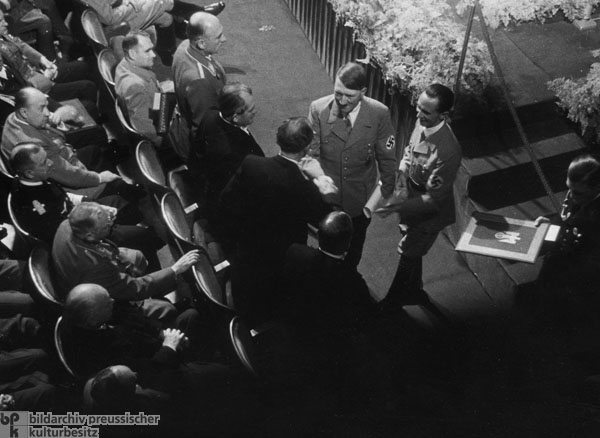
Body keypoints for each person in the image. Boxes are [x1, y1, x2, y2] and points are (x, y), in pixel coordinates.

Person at [219, 117, 335, 324]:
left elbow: (226, 201)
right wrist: (321, 179)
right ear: (307, 148)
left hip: (245, 258)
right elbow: (328, 222)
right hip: (281, 268)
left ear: (278, 139)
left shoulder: (251, 164)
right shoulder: (304, 187)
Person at [378, 83, 462, 308]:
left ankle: (392, 302)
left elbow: (435, 198)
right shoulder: (421, 124)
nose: (419, 114)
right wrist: (399, 190)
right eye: (418, 108)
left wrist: (397, 207)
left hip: (429, 211)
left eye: (426, 112)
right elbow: (408, 155)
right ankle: (415, 290)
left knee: (407, 252)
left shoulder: (448, 150)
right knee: (411, 248)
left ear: (443, 115)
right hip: (411, 195)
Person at [307, 61, 397, 268]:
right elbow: (310, 154)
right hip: (326, 198)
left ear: (363, 92)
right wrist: (321, 179)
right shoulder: (319, 109)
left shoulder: (379, 114)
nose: (342, 100)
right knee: (325, 253)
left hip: (359, 201)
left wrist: (375, 201)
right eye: (338, 93)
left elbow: (387, 161)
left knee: (353, 251)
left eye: (350, 95)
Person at [10, 144, 163, 261]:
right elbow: (65, 234)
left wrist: (93, 205)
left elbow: (65, 197)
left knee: (124, 205)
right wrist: (97, 216)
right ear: (29, 173)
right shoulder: (30, 203)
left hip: (78, 216)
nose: (50, 163)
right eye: (44, 162)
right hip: (81, 236)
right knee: (146, 236)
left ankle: (129, 238)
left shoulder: (39, 179)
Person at [1, 88, 125, 199]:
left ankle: (113, 166)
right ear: (24, 112)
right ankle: (117, 182)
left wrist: (56, 119)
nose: (47, 113)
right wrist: (99, 178)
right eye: (41, 108)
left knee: (94, 146)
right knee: (116, 184)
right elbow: (69, 175)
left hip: (59, 155)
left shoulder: (14, 117)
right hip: (60, 183)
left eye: (46, 106)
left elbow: (45, 129)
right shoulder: (34, 148)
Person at [535, 154, 600, 324]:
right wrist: (552, 223)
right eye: (568, 188)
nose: (570, 196)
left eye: (577, 192)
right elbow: (568, 219)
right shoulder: (580, 196)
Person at [191, 82, 263, 230]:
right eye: (251, 110)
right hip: (231, 210)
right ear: (235, 117)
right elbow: (240, 189)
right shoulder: (230, 153)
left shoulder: (211, 114)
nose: (255, 112)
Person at [0, 10, 97, 106]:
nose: (6, 23)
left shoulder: (3, 36)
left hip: (37, 74)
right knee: (88, 88)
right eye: (1, 21)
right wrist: (46, 76)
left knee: (82, 67)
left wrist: (43, 60)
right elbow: (21, 90)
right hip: (38, 91)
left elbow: (21, 45)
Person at [172, 11, 226, 159]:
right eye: (219, 37)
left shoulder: (184, 46)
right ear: (201, 43)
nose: (224, 39)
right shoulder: (200, 82)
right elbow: (203, 130)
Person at [115, 30, 175, 147]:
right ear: (132, 54)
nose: (153, 55)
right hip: (163, 136)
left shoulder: (124, 65)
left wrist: (161, 91)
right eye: (147, 51)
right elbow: (147, 130)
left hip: (155, 108)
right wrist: (173, 127)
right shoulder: (135, 86)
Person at [81, 0, 176, 64]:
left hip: (121, 7)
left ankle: (167, 53)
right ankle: (181, 9)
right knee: (159, 2)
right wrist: (134, 5)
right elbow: (109, 18)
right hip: (119, 24)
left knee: (166, 18)